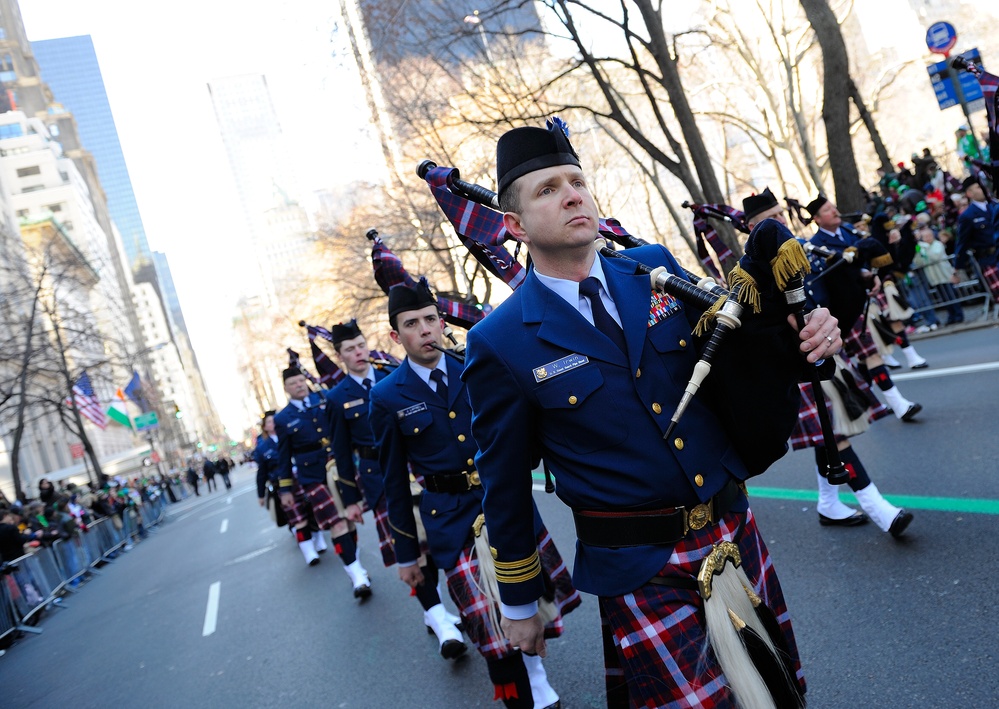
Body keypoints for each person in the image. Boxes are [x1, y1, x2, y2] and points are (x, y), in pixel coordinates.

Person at [462, 122, 842, 707]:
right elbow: (504, 478)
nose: (572, 195)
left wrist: (807, 336)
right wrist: (519, 601)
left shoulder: (653, 267)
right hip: (639, 567)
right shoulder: (501, 339)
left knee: (781, 694)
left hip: (732, 527)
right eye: (547, 190)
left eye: (576, 182)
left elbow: (734, 350)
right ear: (513, 225)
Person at [370, 282, 579, 708]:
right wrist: (407, 555)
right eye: (412, 324)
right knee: (485, 619)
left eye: (431, 319)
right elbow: (393, 481)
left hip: (502, 504)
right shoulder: (386, 396)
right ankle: (521, 692)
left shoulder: (475, 365)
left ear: (442, 322)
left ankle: (536, 676)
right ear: (396, 337)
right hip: (449, 520)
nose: (425, 329)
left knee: (526, 602)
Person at [744, 189, 914, 538]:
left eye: (781, 215)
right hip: (792, 364)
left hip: (821, 350)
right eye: (771, 218)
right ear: (751, 226)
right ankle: (877, 507)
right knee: (834, 434)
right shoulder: (747, 273)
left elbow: (822, 293)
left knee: (830, 434)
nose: (780, 222)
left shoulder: (801, 251)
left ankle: (828, 503)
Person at [327, 319, 466, 658]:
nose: (358, 352)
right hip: (381, 481)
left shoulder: (394, 374)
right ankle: (438, 618)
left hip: (419, 472)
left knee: (432, 546)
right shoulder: (336, 397)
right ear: (340, 356)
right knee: (411, 551)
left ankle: (436, 610)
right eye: (350, 349)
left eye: (360, 345)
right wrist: (351, 500)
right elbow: (341, 454)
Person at [805, 194, 924, 420]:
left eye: (833, 206)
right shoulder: (816, 245)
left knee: (863, 358)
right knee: (870, 355)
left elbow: (867, 260)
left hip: (863, 300)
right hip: (843, 310)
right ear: (818, 219)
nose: (834, 211)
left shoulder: (849, 231)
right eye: (828, 210)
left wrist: (873, 276)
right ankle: (899, 405)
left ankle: (869, 404)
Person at [275, 367, 370, 594]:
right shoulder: (282, 418)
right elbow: (284, 456)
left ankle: (355, 566)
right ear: (286, 388)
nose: (299, 385)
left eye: (301, 381)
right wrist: (285, 489)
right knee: (336, 523)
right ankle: (357, 575)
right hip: (313, 477)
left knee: (349, 519)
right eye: (293, 383)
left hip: (339, 468)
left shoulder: (324, 398)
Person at [954, 176, 999, 303]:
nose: (983, 189)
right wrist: (957, 268)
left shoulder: (995, 205)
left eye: (982, 186)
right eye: (978, 187)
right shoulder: (967, 216)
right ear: (969, 193)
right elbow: (962, 242)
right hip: (990, 260)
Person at [912, 224, 964, 326]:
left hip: (945, 276)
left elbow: (935, 256)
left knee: (951, 296)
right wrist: (919, 253)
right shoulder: (923, 248)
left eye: (929, 236)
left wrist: (924, 247)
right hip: (934, 278)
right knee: (944, 299)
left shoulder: (937, 244)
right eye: (925, 237)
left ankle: (958, 315)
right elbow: (919, 262)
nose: (927, 239)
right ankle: (951, 316)